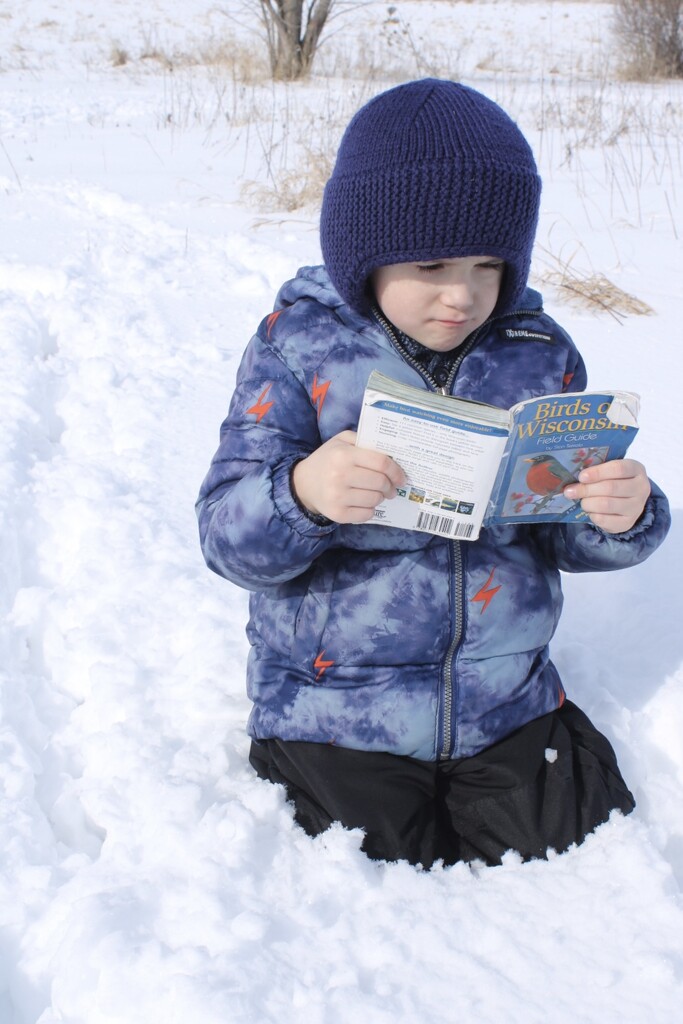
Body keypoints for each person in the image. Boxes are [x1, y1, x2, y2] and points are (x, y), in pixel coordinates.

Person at [196, 79, 670, 869]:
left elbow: (559, 528)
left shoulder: (536, 352)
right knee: (366, 869)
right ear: (364, 256)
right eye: (431, 263)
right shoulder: (297, 348)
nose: (463, 295)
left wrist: (616, 515)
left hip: (503, 703)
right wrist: (303, 496)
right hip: (338, 709)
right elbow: (224, 535)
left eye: (489, 265)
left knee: (570, 849)